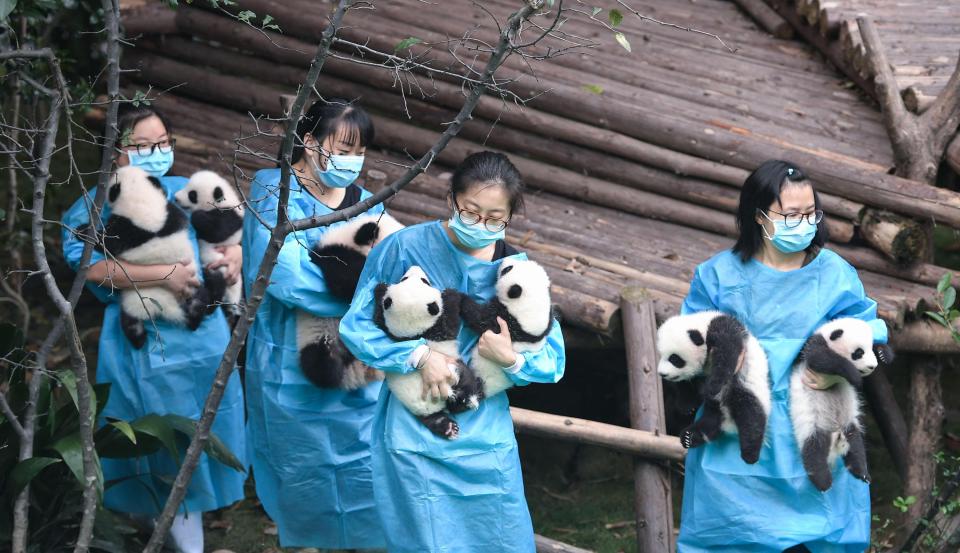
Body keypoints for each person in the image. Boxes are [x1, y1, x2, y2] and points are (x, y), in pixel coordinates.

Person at [340, 150, 566, 553]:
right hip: (415, 429)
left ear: (510, 217)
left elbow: (553, 360)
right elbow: (356, 327)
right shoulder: (403, 249)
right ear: (451, 200)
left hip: (486, 436)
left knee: (501, 540)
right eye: (471, 211)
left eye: (495, 218)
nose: (481, 225)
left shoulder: (516, 270)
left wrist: (510, 358)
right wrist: (419, 357)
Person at [60, 105, 247, 553]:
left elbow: (238, 237)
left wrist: (235, 256)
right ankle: (160, 530)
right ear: (117, 150)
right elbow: (87, 266)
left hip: (202, 339)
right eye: (142, 145)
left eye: (163, 142)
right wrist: (163, 274)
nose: (156, 152)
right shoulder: (98, 203)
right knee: (152, 438)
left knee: (200, 437)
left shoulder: (188, 190)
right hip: (142, 340)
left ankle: (181, 534)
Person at [676, 160, 889, 552]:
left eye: (811, 213)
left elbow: (868, 327)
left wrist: (834, 370)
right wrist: (715, 356)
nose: (804, 222)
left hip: (811, 424)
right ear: (759, 216)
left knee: (823, 537)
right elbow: (688, 337)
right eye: (792, 215)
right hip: (739, 432)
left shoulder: (834, 274)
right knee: (730, 538)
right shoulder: (718, 274)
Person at [241, 99, 386, 549]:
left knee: (365, 471)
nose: (351, 161)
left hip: (358, 363)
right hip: (291, 366)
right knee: (302, 477)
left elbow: (391, 273)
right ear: (309, 141)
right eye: (343, 148)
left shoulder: (366, 204)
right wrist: (362, 297)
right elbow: (284, 278)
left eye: (359, 151)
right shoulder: (273, 191)